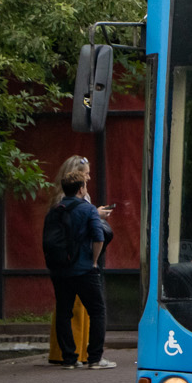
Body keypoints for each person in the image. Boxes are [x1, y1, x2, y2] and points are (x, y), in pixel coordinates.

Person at [46, 156, 116, 370]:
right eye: (85, 179)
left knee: (64, 312)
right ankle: (95, 358)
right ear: (80, 188)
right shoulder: (88, 209)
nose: (88, 181)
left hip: (60, 269)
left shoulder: (54, 209)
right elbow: (98, 237)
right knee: (97, 310)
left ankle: (69, 358)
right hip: (84, 268)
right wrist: (94, 261)